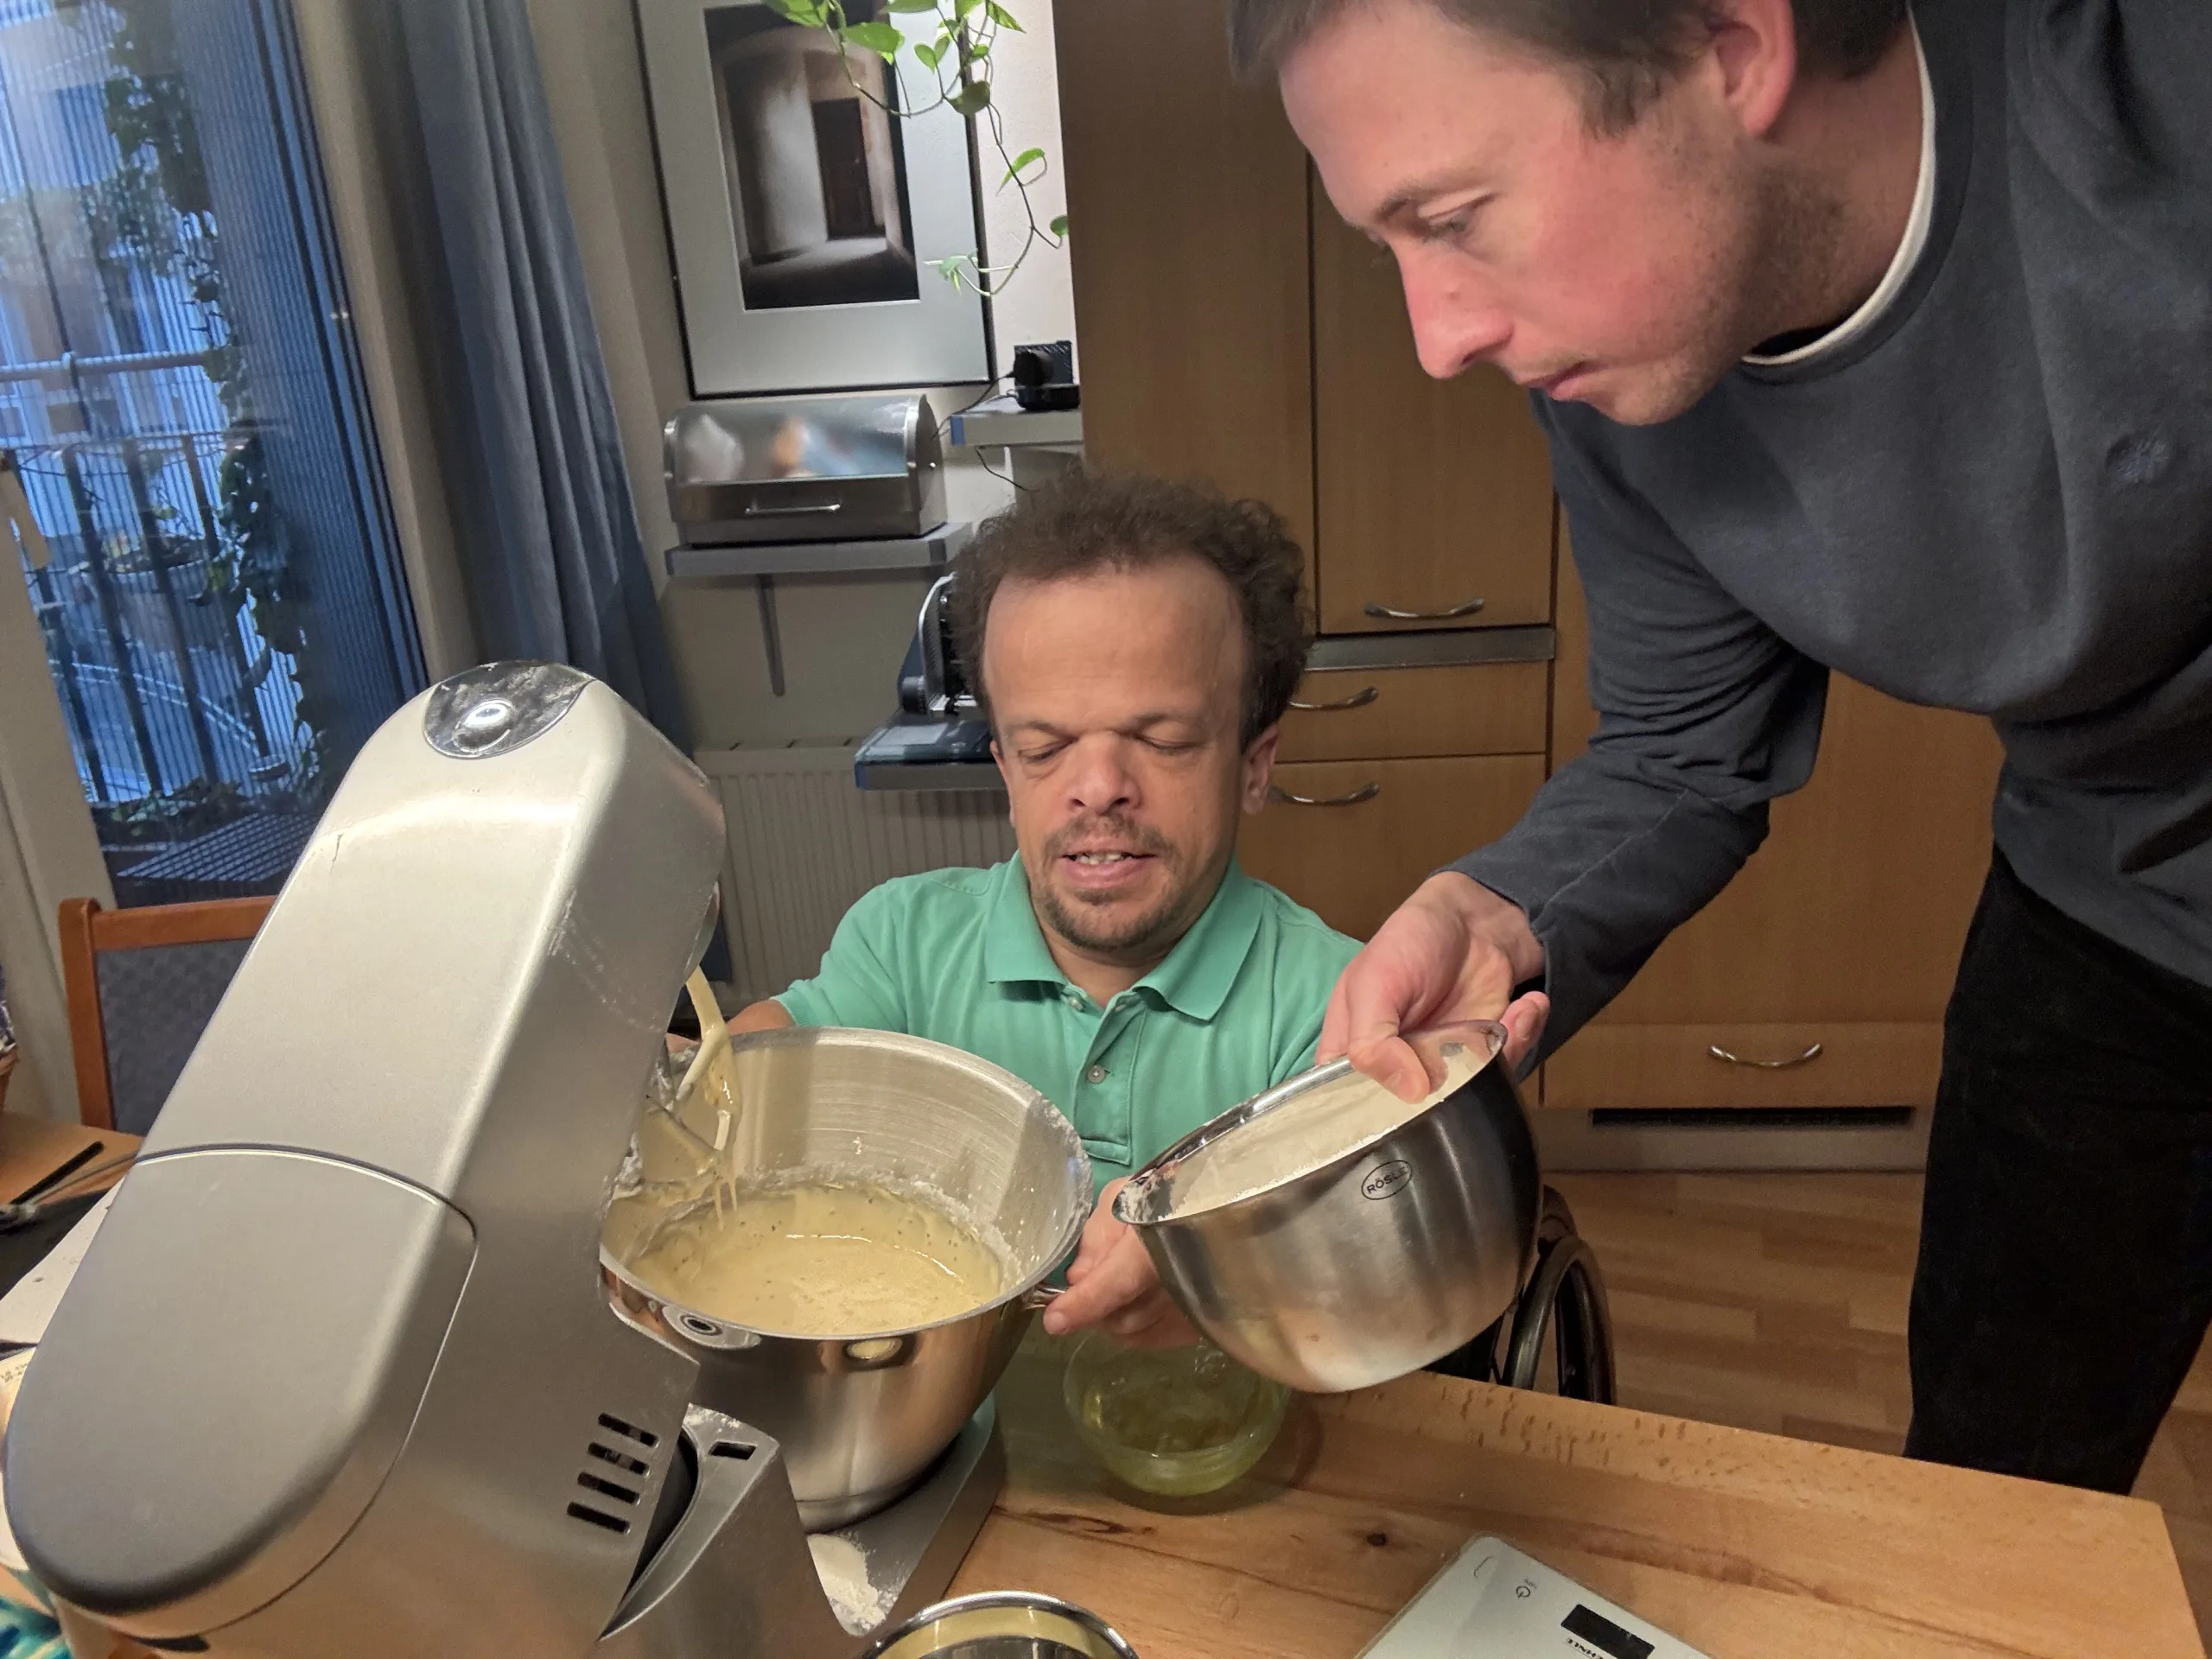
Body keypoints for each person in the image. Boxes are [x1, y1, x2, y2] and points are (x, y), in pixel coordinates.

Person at [1194, 0, 2212, 1492]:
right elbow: (1684, 747)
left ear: (1732, 46)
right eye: (1386, 245)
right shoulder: (1623, 395)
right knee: (1995, 1488)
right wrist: (1499, 914)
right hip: (2104, 906)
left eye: (1459, 217)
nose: (1437, 340)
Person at [730, 471, 1360, 1345]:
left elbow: (1349, 1276)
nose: (1098, 789)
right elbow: (770, 1070)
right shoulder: (903, 944)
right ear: (1003, 768)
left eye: (1163, 740)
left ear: (1255, 765)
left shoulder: (1336, 1008)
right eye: (1045, 747)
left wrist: (1226, 1280)